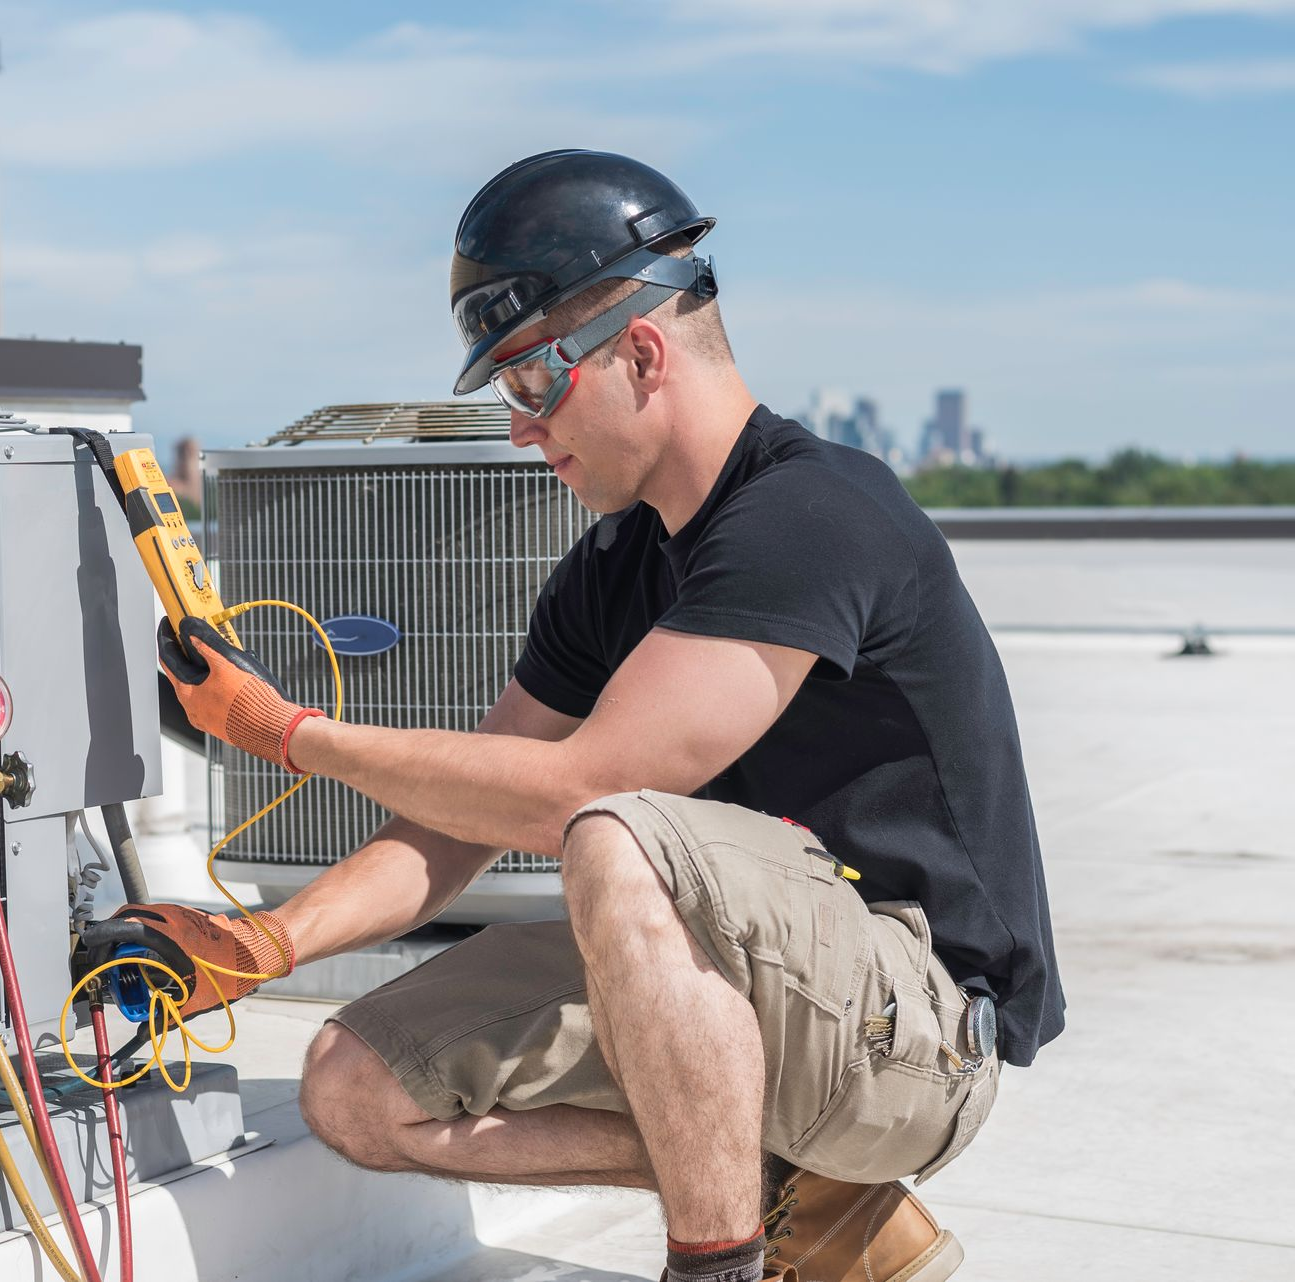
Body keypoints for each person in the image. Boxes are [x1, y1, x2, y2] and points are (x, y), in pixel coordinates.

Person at [139, 150, 1064, 1282]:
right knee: (355, 1084)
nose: (522, 430)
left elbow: (584, 788)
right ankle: (803, 1203)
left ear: (638, 350)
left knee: (616, 836)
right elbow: (464, 810)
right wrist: (266, 943)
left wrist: (287, 733)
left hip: (916, 1031)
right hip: (767, 997)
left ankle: (715, 1265)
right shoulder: (609, 570)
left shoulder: (810, 514)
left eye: (531, 384)